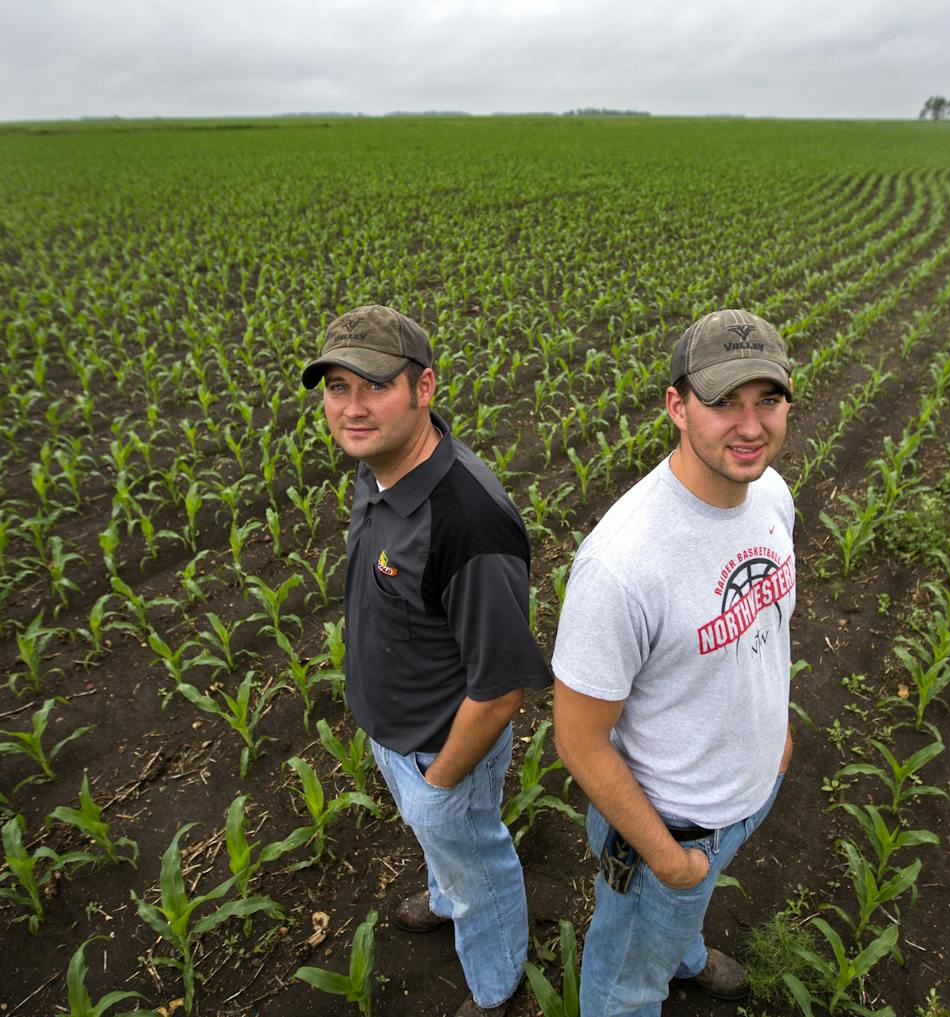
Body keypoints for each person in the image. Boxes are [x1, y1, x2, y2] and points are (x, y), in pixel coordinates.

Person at [301, 304, 550, 1017]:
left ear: (425, 388)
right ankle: (447, 895)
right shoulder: (377, 465)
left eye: (373, 386)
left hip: (444, 750)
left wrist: (440, 782)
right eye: (336, 387)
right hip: (394, 732)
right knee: (450, 851)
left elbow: (502, 690)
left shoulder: (468, 519)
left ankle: (497, 983)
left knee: (479, 862)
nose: (351, 408)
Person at [551, 309, 797, 1017]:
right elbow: (579, 739)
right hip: (671, 824)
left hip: (747, 794)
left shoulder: (771, 495)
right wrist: (666, 857)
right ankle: (659, 946)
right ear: (676, 406)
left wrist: (775, 739)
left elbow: (769, 622)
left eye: (768, 399)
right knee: (625, 982)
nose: (750, 426)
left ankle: (681, 944)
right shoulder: (623, 564)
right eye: (723, 402)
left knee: (677, 913)